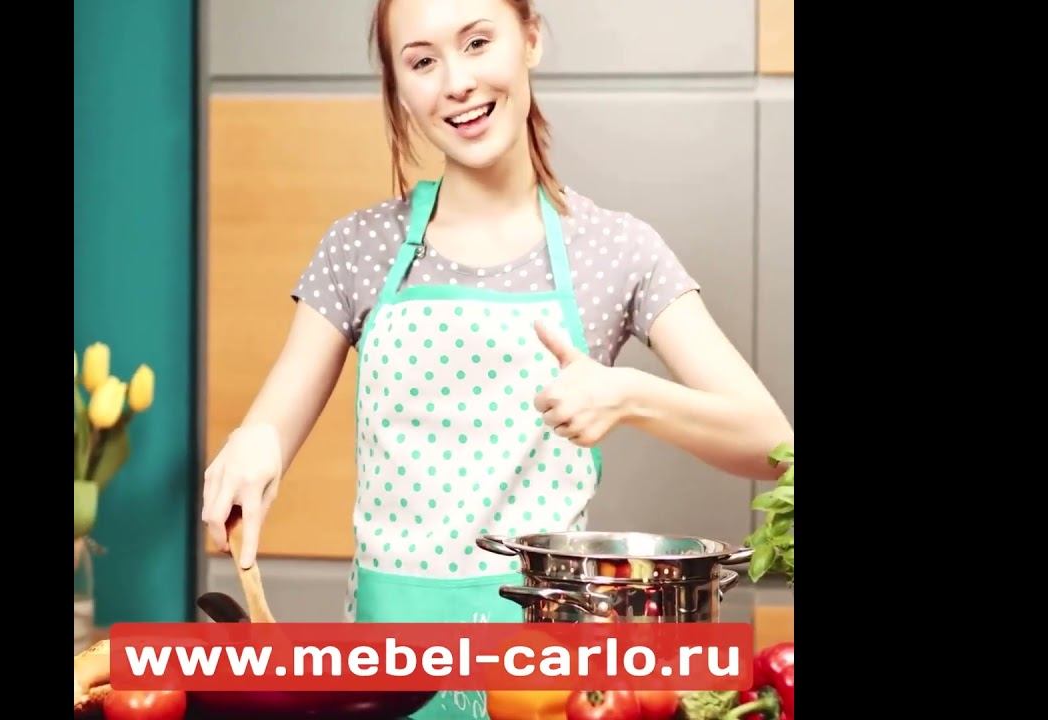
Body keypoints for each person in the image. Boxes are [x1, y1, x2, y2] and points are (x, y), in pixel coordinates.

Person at [201, 0, 792, 712]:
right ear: (399, 87)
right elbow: (271, 424)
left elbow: (772, 446)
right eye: (423, 61)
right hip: (388, 674)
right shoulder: (359, 247)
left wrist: (631, 396)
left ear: (530, 39)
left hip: (545, 679)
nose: (456, 81)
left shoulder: (616, 249)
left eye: (478, 42)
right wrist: (253, 446)